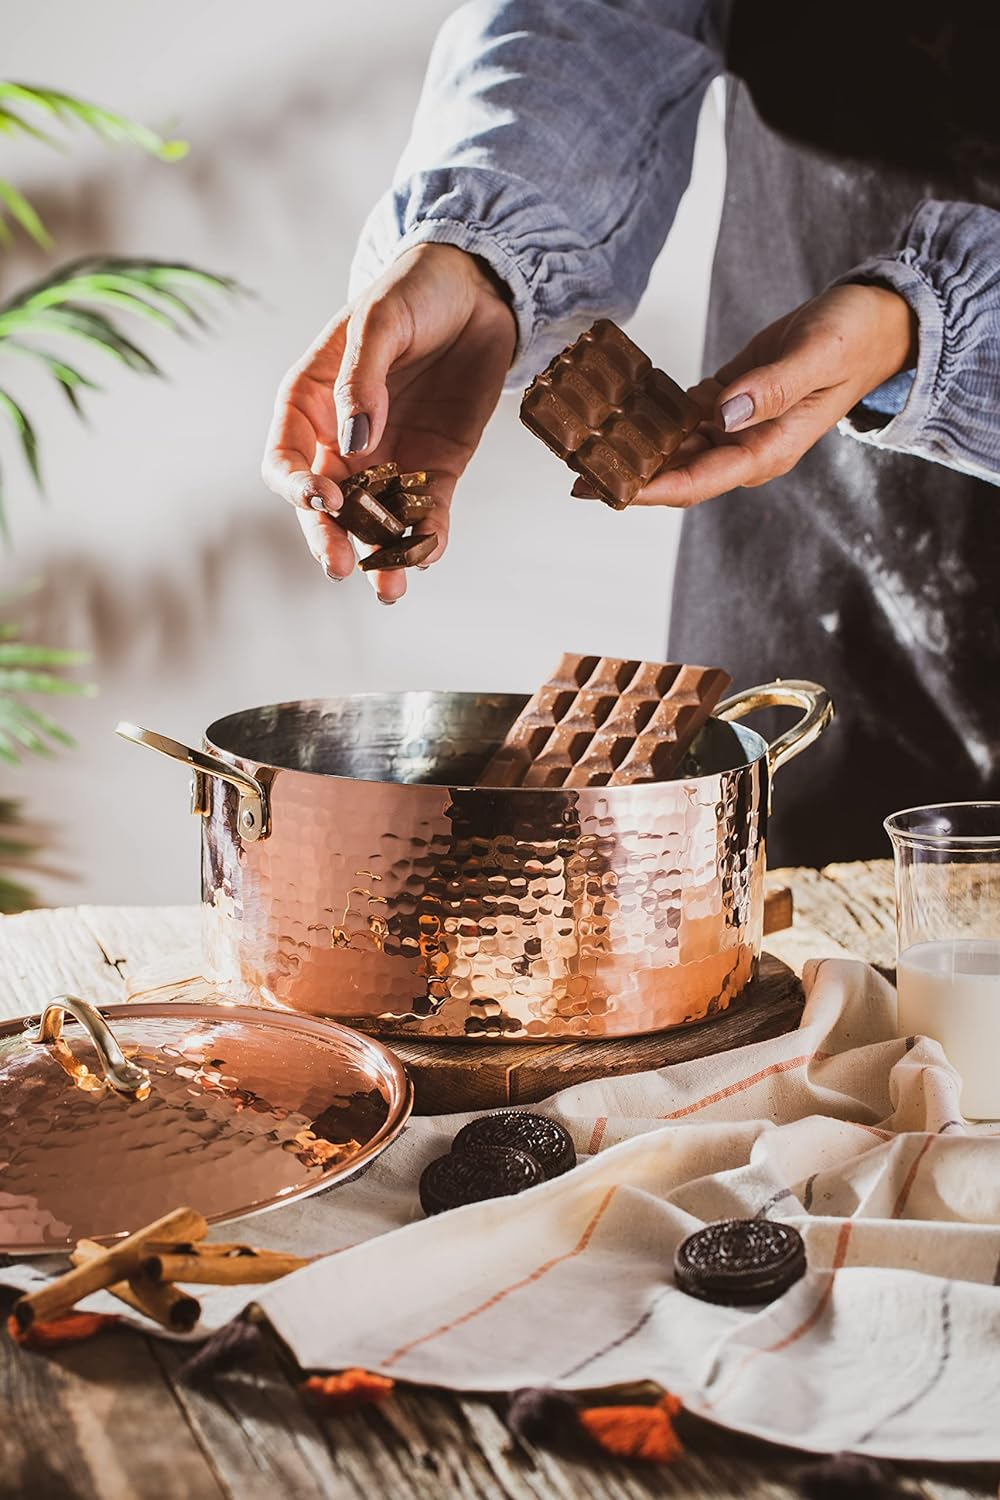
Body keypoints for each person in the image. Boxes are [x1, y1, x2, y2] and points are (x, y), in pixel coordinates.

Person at [262, 0, 1000, 866]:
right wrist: (477, 259)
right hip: (800, 530)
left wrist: (928, 327)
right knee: (769, 927)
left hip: (844, 379)